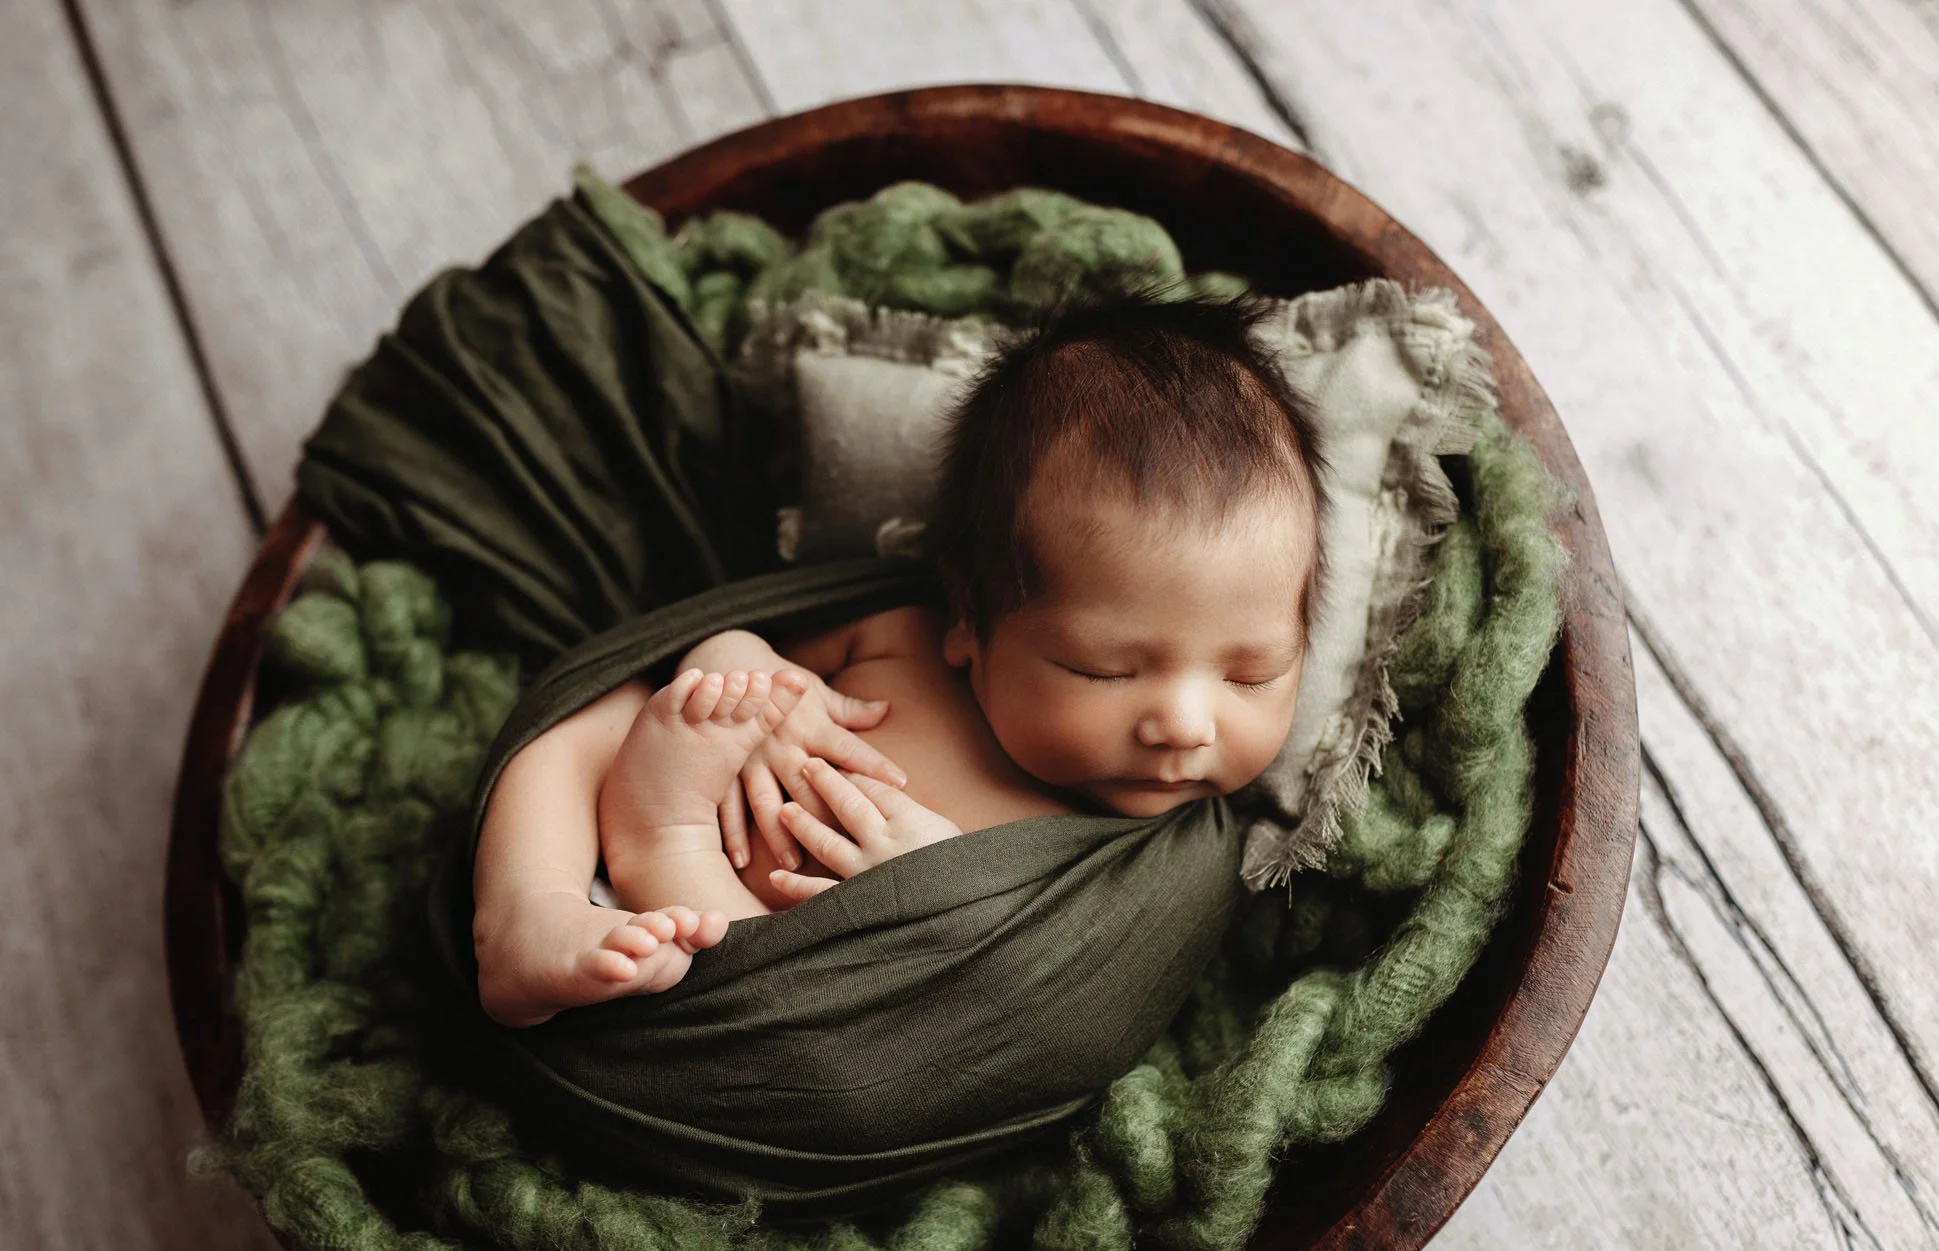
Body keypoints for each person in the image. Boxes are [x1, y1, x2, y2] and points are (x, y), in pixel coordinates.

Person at [472, 289, 1330, 1028]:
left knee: (779, 988)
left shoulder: (1150, 873)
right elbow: (721, 641)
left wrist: (935, 910)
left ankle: (664, 839)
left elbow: (1013, 1028)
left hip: (737, 973)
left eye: (1252, 675)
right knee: (599, 703)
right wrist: (757, 689)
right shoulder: (896, 636)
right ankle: (526, 912)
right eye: (1102, 669)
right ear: (970, 617)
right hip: (595, 912)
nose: (1184, 723)